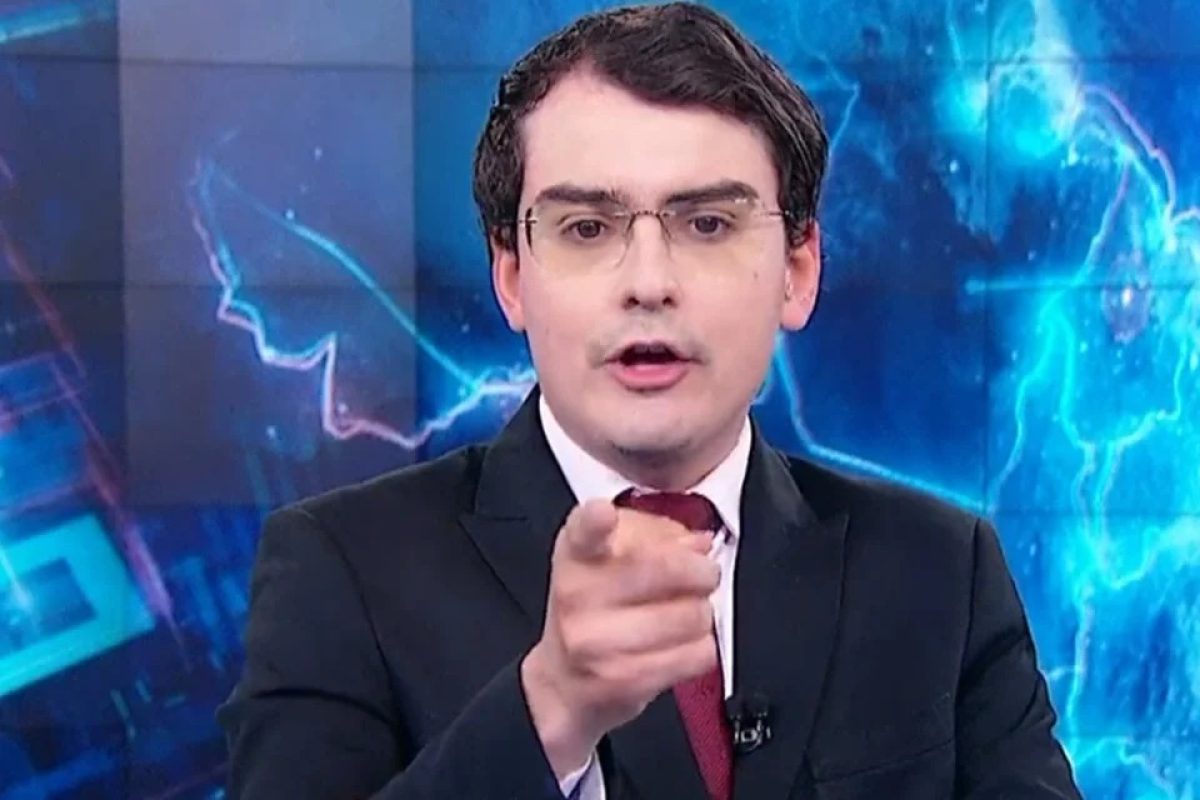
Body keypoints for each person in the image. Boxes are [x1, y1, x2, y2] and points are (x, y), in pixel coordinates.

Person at [217, 4, 1083, 798]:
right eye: (587, 228)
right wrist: (549, 709)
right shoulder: (339, 570)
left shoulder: (941, 573)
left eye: (707, 224)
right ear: (511, 275)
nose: (648, 281)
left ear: (798, 269)